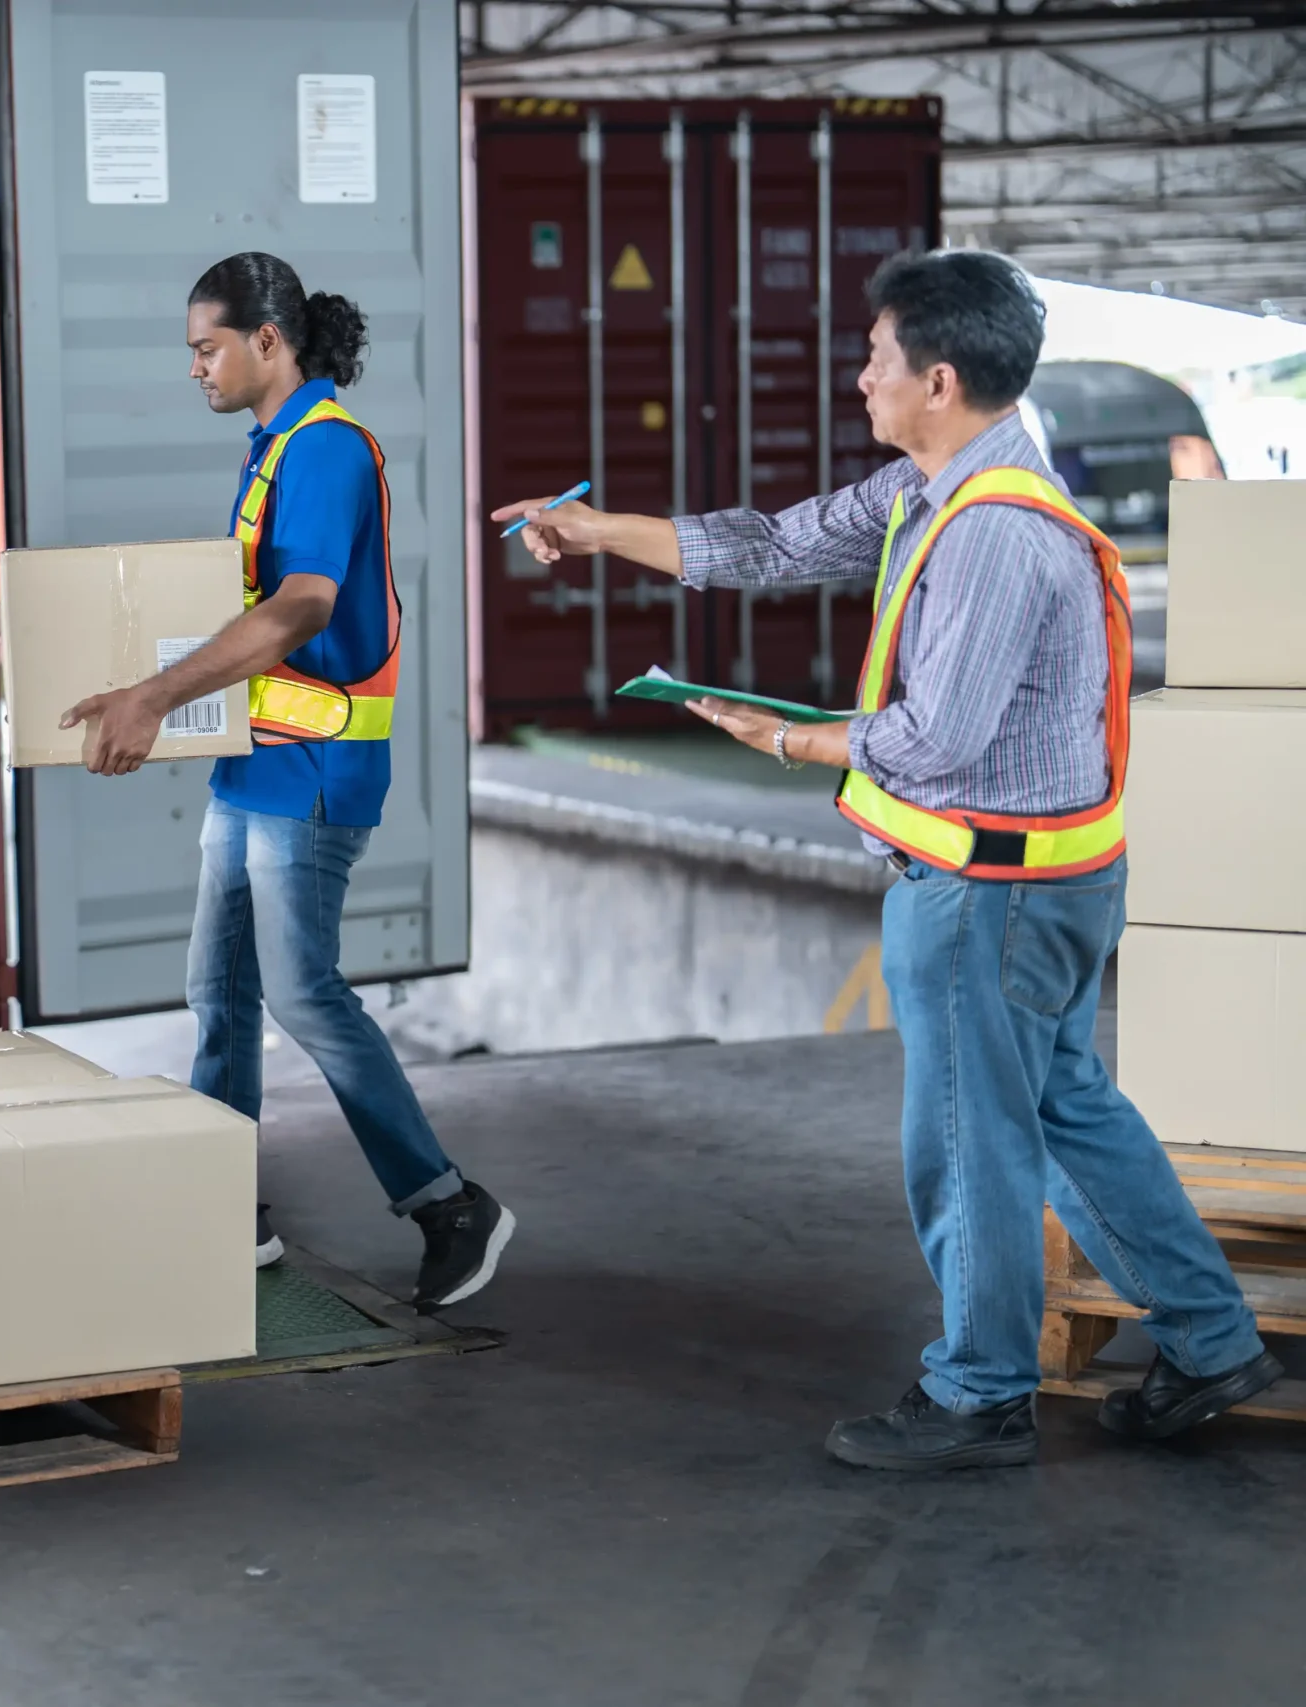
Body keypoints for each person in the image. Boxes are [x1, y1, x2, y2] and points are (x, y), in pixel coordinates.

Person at [495, 249, 1280, 1470]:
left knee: (970, 1142)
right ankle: (1209, 1337)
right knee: (1068, 1110)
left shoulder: (991, 538)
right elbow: (769, 543)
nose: (858, 376)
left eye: (875, 357)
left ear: (940, 379)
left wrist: (789, 738)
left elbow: (937, 739)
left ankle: (979, 1397)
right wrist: (601, 533)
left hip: (987, 890)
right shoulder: (939, 488)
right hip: (1040, 879)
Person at [64, 252, 515, 1310]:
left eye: (205, 347)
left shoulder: (327, 452)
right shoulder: (275, 448)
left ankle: (449, 1204)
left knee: (302, 991)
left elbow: (301, 608)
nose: (196, 369)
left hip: (313, 774)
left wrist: (155, 696)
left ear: (268, 340)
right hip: (254, 769)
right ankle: (224, 1210)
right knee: (219, 994)